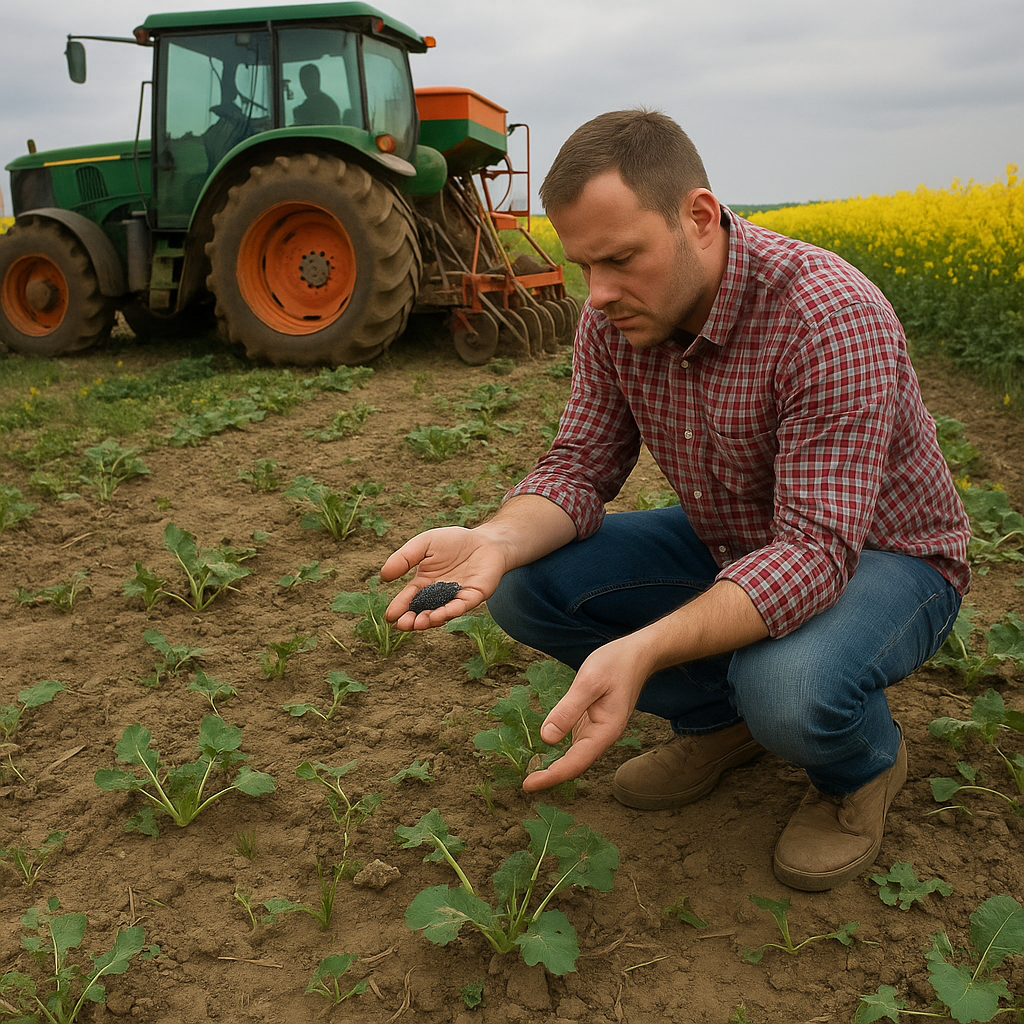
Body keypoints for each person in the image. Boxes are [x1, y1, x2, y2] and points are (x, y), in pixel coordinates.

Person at [381, 109, 971, 891]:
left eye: (622, 259)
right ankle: (721, 725)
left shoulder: (827, 314)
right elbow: (580, 464)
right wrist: (496, 539)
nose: (598, 294)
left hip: (883, 555)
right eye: (584, 265)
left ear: (698, 217)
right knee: (525, 585)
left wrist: (646, 647)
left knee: (786, 686)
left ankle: (861, 770)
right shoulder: (617, 315)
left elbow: (814, 555)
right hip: (738, 539)